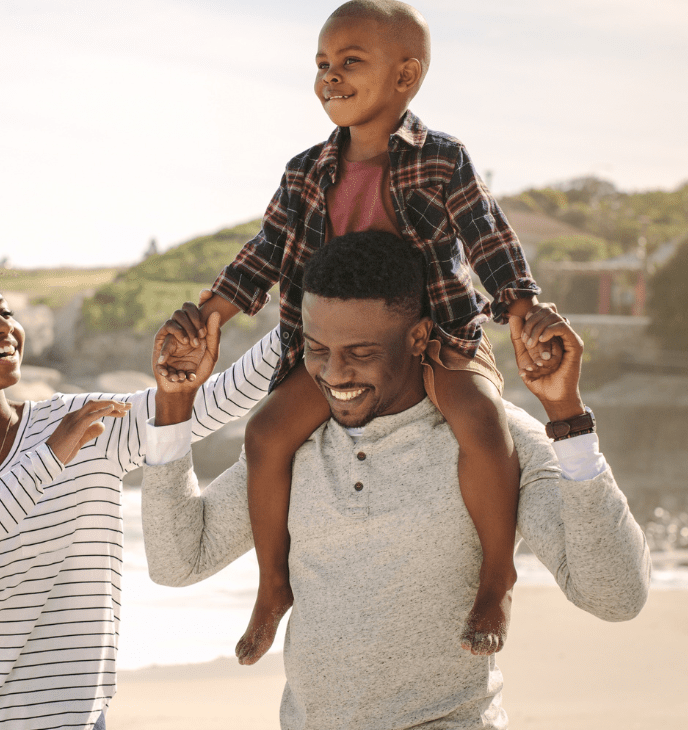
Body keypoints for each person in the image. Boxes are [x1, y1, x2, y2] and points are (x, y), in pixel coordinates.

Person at [158, 0, 561, 663]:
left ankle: (496, 578)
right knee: (264, 434)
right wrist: (213, 314)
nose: (330, 77)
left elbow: (487, 237)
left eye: (350, 62)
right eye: (321, 64)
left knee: (482, 423)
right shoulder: (306, 169)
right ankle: (272, 587)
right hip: (340, 352)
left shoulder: (440, 160)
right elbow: (264, 250)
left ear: (406, 77)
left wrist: (522, 306)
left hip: (436, 337)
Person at [143, 231, 649, 730]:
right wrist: (173, 404)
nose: (335, 374)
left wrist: (566, 413)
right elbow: (178, 562)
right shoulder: (292, 446)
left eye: (361, 353)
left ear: (416, 337)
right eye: (318, 349)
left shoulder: (494, 441)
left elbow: (616, 596)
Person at [0, 235, 282, 730]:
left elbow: (215, 399)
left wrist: (310, 315)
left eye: (4, 312)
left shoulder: (84, 421)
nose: (4, 327)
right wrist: (47, 458)